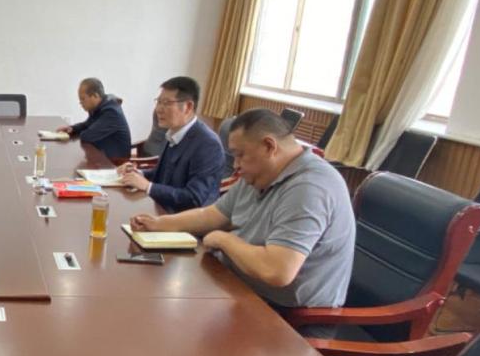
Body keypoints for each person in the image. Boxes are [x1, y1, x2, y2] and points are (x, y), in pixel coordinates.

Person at [131, 108, 355, 309]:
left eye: (240, 155)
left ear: (269, 146)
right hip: (236, 286)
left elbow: (277, 270)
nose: (236, 165)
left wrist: (223, 239)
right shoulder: (261, 173)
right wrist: (160, 223)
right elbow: (212, 214)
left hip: (281, 315)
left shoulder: (310, 187)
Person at [116, 76, 224, 213]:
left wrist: (148, 186)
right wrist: (138, 173)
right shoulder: (174, 132)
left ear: (188, 107)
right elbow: (163, 174)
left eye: (166, 103)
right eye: (158, 102)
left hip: (185, 220)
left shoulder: (208, 144)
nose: (158, 109)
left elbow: (194, 198)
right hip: (162, 209)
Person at [56, 78, 131, 161]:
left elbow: (87, 136)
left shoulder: (111, 112)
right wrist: (72, 129)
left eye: (83, 99)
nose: (81, 103)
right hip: (102, 155)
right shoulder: (101, 107)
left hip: (115, 162)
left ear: (95, 96)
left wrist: (73, 136)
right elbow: (87, 125)